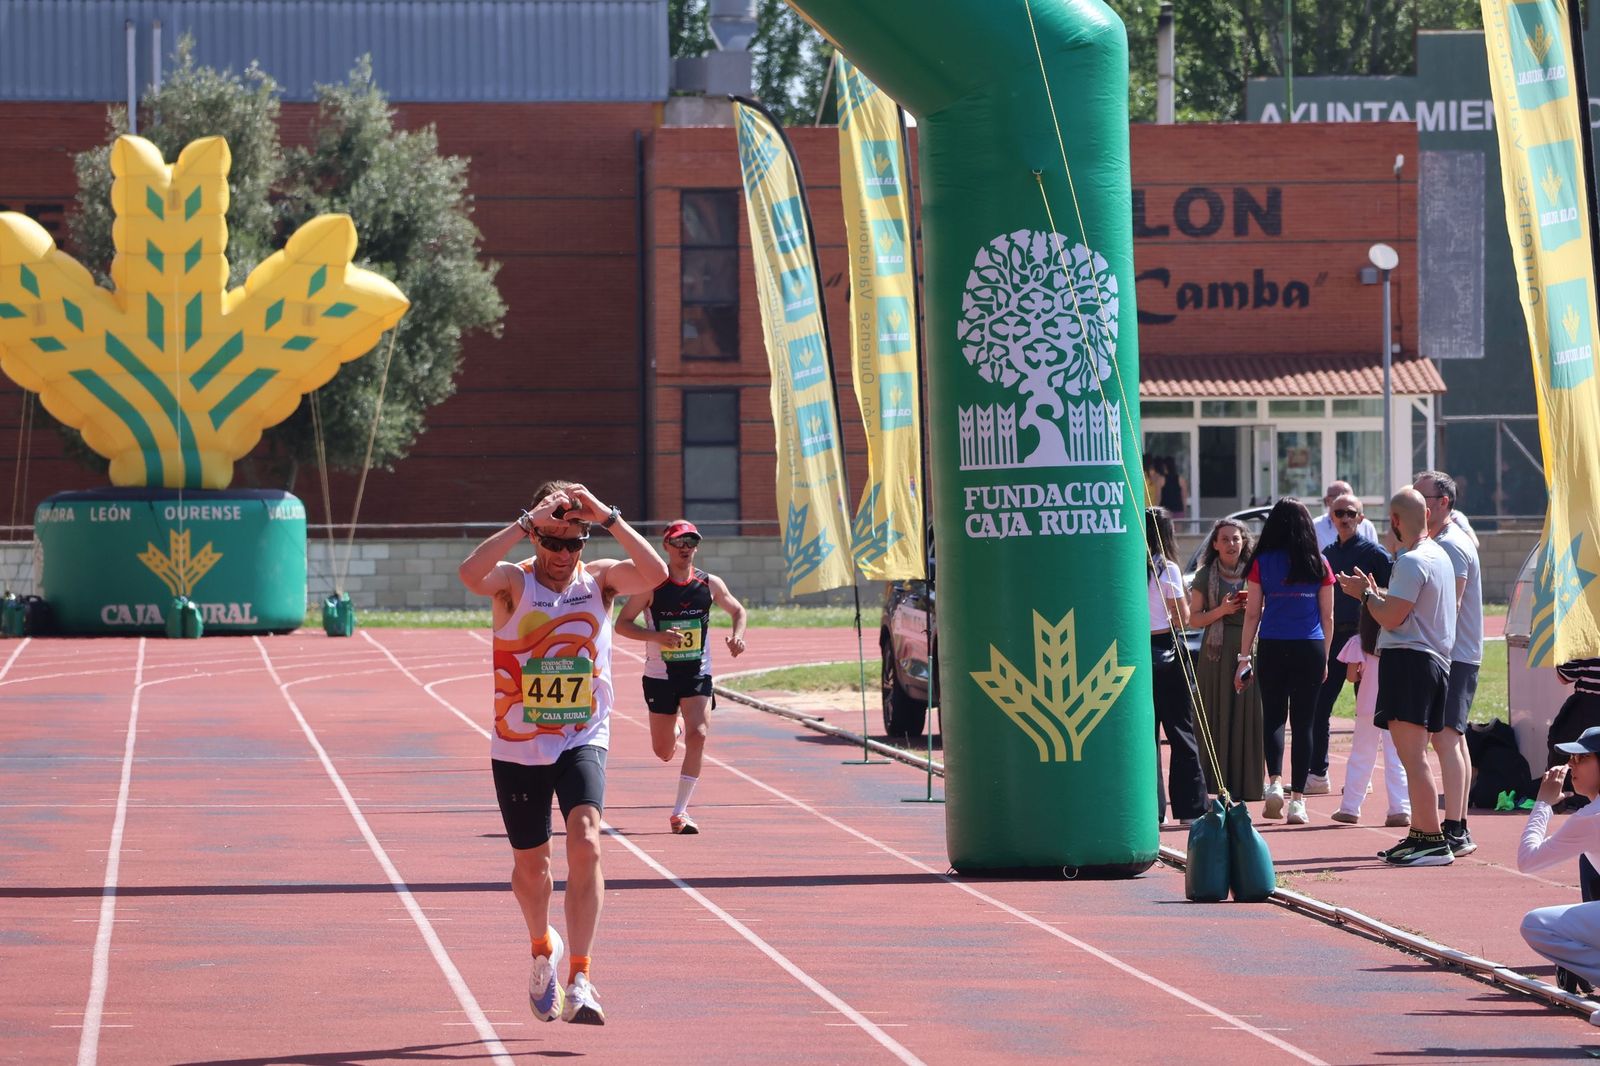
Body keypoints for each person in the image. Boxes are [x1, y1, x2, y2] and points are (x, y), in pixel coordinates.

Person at [457, 479, 668, 1025]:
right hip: (519, 745)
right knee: (533, 870)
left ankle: (581, 977)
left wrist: (609, 516)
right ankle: (541, 948)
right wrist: (526, 521)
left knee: (587, 841)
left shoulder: (599, 581)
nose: (562, 555)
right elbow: (470, 574)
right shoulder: (514, 582)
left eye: (573, 543)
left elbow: (655, 575)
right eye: (552, 542)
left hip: (582, 735)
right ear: (535, 538)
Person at [1336, 486, 1457, 867]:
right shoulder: (1438, 555)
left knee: (1412, 757)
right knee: (1412, 756)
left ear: (1394, 521)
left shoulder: (1412, 560)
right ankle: (1421, 834)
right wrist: (1376, 594)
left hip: (1411, 662)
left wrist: (1364, 595)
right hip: (1430, 662)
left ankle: (1432, 840)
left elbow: (1391, 617)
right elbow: (1404, 608)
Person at [614, 519, 748, 835]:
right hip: (660, 675)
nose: (685, 548)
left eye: (691, 542)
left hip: (697, 672)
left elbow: (738, 611)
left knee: (698, 734)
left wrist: (737, 637)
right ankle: (674, 725)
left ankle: (680, 812)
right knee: (663, 752)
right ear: (666, 546)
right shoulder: (651, 586)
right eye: (678, 542)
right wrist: (657, 637)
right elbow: (622, 624)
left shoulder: (709, 583)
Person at [1236, 497, 1334, 825]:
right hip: (1310, 645)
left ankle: (1275, 782)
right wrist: (1324, 657)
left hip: (1273, 645)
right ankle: (1298, 802)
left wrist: (1243, 658)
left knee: (1274, 718)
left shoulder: (1261, 562)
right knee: (1304, 723)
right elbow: (1328, 616)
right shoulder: (1319, 562)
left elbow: (1252, 614)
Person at [1307, 492, 1392, 796]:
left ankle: (1361, 777)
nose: (1344, 518)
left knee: (1366, 711)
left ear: (1361, 517)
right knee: (1320, 705)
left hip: (1364, 637)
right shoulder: (1326, 554)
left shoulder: (1375, 553)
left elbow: (1395, 591)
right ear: (1331, 517)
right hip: (1333, 637)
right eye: (1339, 513)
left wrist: (1371, 594)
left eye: (1350, 513)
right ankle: (1318, 774)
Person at [1416, 470, 1482, 857]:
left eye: (1422, 498)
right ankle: (1459, 824)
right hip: (1450, 652)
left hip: (1454, 654)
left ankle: (1455, 828)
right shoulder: (1438, 541)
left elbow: (1450, 606)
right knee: (1452, 738)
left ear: (1443, 503)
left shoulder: (1452, 545)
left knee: (1445, 738)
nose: (1416, 504)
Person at [1186, 517, 1264, 802]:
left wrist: (1256, 608)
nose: (1231, 544)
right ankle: (1212, 783)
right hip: (1215, 654)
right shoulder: (1204, 575)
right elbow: (1193, 619)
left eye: (1236, 538)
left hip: (1248, 649)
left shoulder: (1256, 572)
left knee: (1247, 714)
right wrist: (1222, 610)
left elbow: (1267, 609)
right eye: (1225, 539)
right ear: (1216, 545)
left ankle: (1247, 785)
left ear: (1244, 542)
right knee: (1214, 713)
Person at [1518, 727, 1600, 995]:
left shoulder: (1590, 818)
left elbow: (1528, 860)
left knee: (1535, 924)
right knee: (1587, 860)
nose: (1571, 765)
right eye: (1572, 758)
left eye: (1582, 758)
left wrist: (1543, 803)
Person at [1147, 507, 1208, 826]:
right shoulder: (1166, 568)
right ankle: (1190, 808)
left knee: (1147, 736)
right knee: (1181, 732)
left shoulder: (1128, 565)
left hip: (1136, 652)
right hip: (1166, 650)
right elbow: (1183, 617)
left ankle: (1152, 811)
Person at [1328, 601, 1411, 827]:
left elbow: (1351, 677)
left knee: (1361, 756)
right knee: (1396, 758)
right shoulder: (1401, 641)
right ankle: (1400, 808)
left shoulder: (1359, 642)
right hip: (1395, 706)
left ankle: (1350, 807)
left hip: (1367, 707)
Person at [1313, 480, 1377, 550]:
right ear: (1327, 500)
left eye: (1349, 496)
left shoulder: (1366, 526)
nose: (1345, 500)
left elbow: (1374, 552)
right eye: (1340, 496)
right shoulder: (1315, 526)